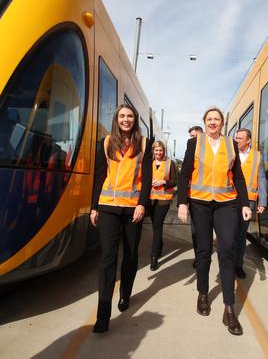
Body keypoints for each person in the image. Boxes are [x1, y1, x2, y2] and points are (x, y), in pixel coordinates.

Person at [177, 107, 252, 336]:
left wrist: (245, 203)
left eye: (216, 119)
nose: (212, 122)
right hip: (199, 203)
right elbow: (184, 174)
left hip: (226, 203)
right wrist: (182, 202)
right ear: (204, 122)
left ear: (222, 123)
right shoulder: (195, 143)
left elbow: (237, 176)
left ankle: (229, 308)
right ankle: (203, 292)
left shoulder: (230, 144)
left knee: (227, 248)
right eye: (209, 119)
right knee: (203, 250)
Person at [90, 104, 152, 333]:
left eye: (130, 117)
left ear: (135, 120)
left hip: (132, 209)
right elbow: (99, 175)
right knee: (107, 258)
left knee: (131, 254)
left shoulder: (144, 143)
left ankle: (125, 294)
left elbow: (147, 178)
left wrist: (142, 204)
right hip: (108, 207)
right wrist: (94, 206)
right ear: (117, 119)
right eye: (122, 116)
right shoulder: (106, 142)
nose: (126, 120)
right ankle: (102, 316)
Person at [233, 128, 267, 279]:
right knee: (228, 233)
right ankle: (226, 264)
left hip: (250, 201)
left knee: (241, 235)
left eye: (240, 138)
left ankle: (238, 265)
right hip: (229, 199)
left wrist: (263, 201)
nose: (237, 140)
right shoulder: (230, 153)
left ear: (248, 140)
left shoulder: (257, 156)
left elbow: (261, 179)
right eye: (236, 138)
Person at [148, 140, 178, 271]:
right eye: (156, 150)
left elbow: (174, 181)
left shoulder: (170, 163)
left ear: (163, 151)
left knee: (157, 225)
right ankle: (159, 245)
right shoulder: (149, 163)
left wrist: (163, 181)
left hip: (164, 199)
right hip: (150, 199)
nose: (159, 152)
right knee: (155, 224)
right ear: (153, 151)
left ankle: (154, 257)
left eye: (161, 150)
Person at [187, 125, 203, 269]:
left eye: (194, 136)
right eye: (190, 136)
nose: (192, 139)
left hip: (216, 200)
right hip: (195, 198)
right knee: (195, 231)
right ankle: (199, 257)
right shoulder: (190, 151)